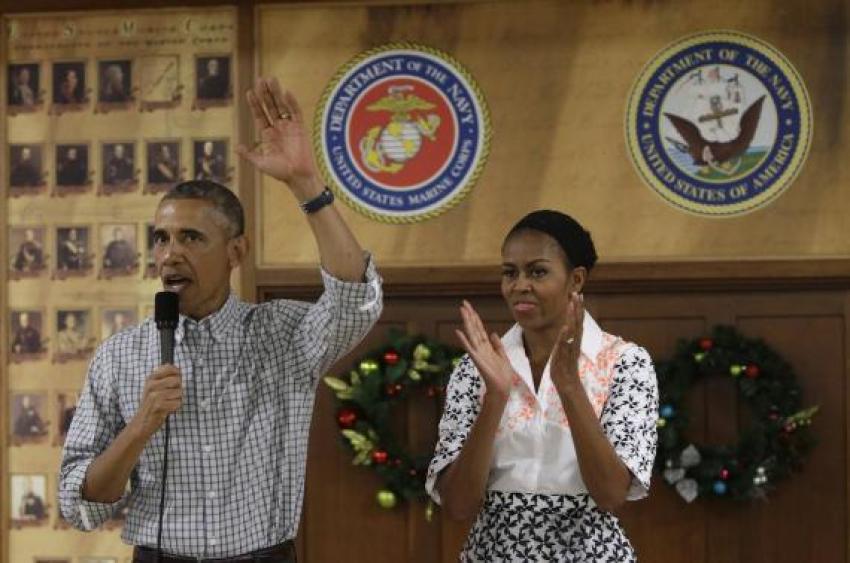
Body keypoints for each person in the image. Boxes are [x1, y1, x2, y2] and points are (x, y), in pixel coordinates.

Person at [59, 77, 383, 562]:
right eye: (161, 239)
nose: (170, 255)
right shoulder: (119, 356)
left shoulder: (283, 333)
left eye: (191, 238)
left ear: (236, 251)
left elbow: (355, 299)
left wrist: (305, 184)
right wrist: (141, 426)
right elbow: (80, 503)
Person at [425, 210, 658, 562]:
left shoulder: (626, 363)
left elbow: (612, 495)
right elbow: (458, 506)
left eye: (537, 271)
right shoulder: (477, 369)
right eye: (510, 272)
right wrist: (496, 398)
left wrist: (570, 387)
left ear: (576, 280)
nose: (519, 285)